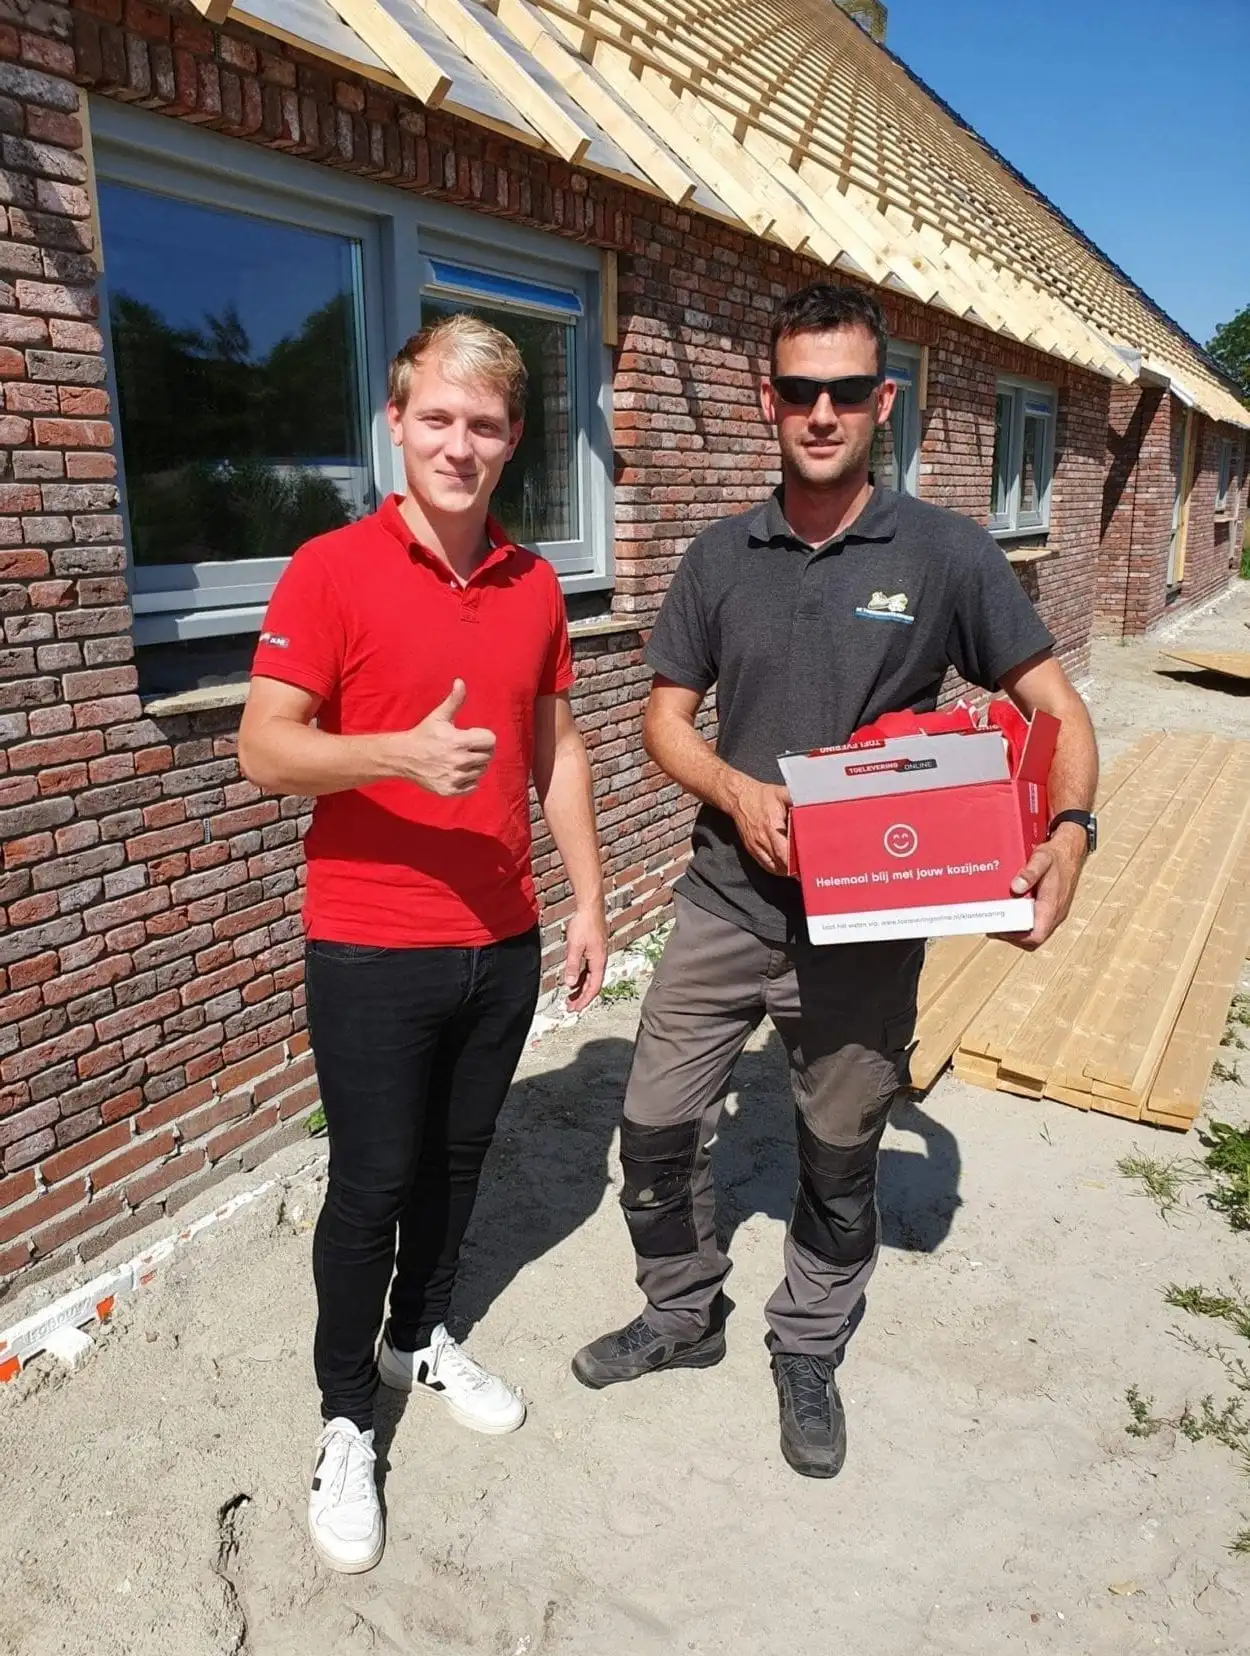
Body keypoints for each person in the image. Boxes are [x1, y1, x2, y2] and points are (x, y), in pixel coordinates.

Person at [571, 283, 1098, 1480]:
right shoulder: (719, 557)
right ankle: (680, 1309)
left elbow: (1055, 709)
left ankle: (806, 1344)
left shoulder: (945, 553)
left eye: (845, 391)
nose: (821, 412)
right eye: (799, 390)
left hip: (866, 921)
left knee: (839, 1143)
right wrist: (733, 789)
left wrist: (1066, 835)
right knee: (653, 1125)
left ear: (881, 400)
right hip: (724, 899)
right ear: (767, 399)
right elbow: (662, 721)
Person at [239, 313, 606, 1573]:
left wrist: (588, 899)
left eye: (484, 424)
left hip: (499, 935)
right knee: (372, 1183)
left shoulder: (534, 583)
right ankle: (346, 1417)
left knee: (457, 1163)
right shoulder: (329, 568)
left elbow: (556, 751)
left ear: (513, 440)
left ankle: (419, 1336)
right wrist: (395, 753)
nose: (459, 443)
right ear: (394, 422)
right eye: (436, 417)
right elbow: (263, 746)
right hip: (370, 941)